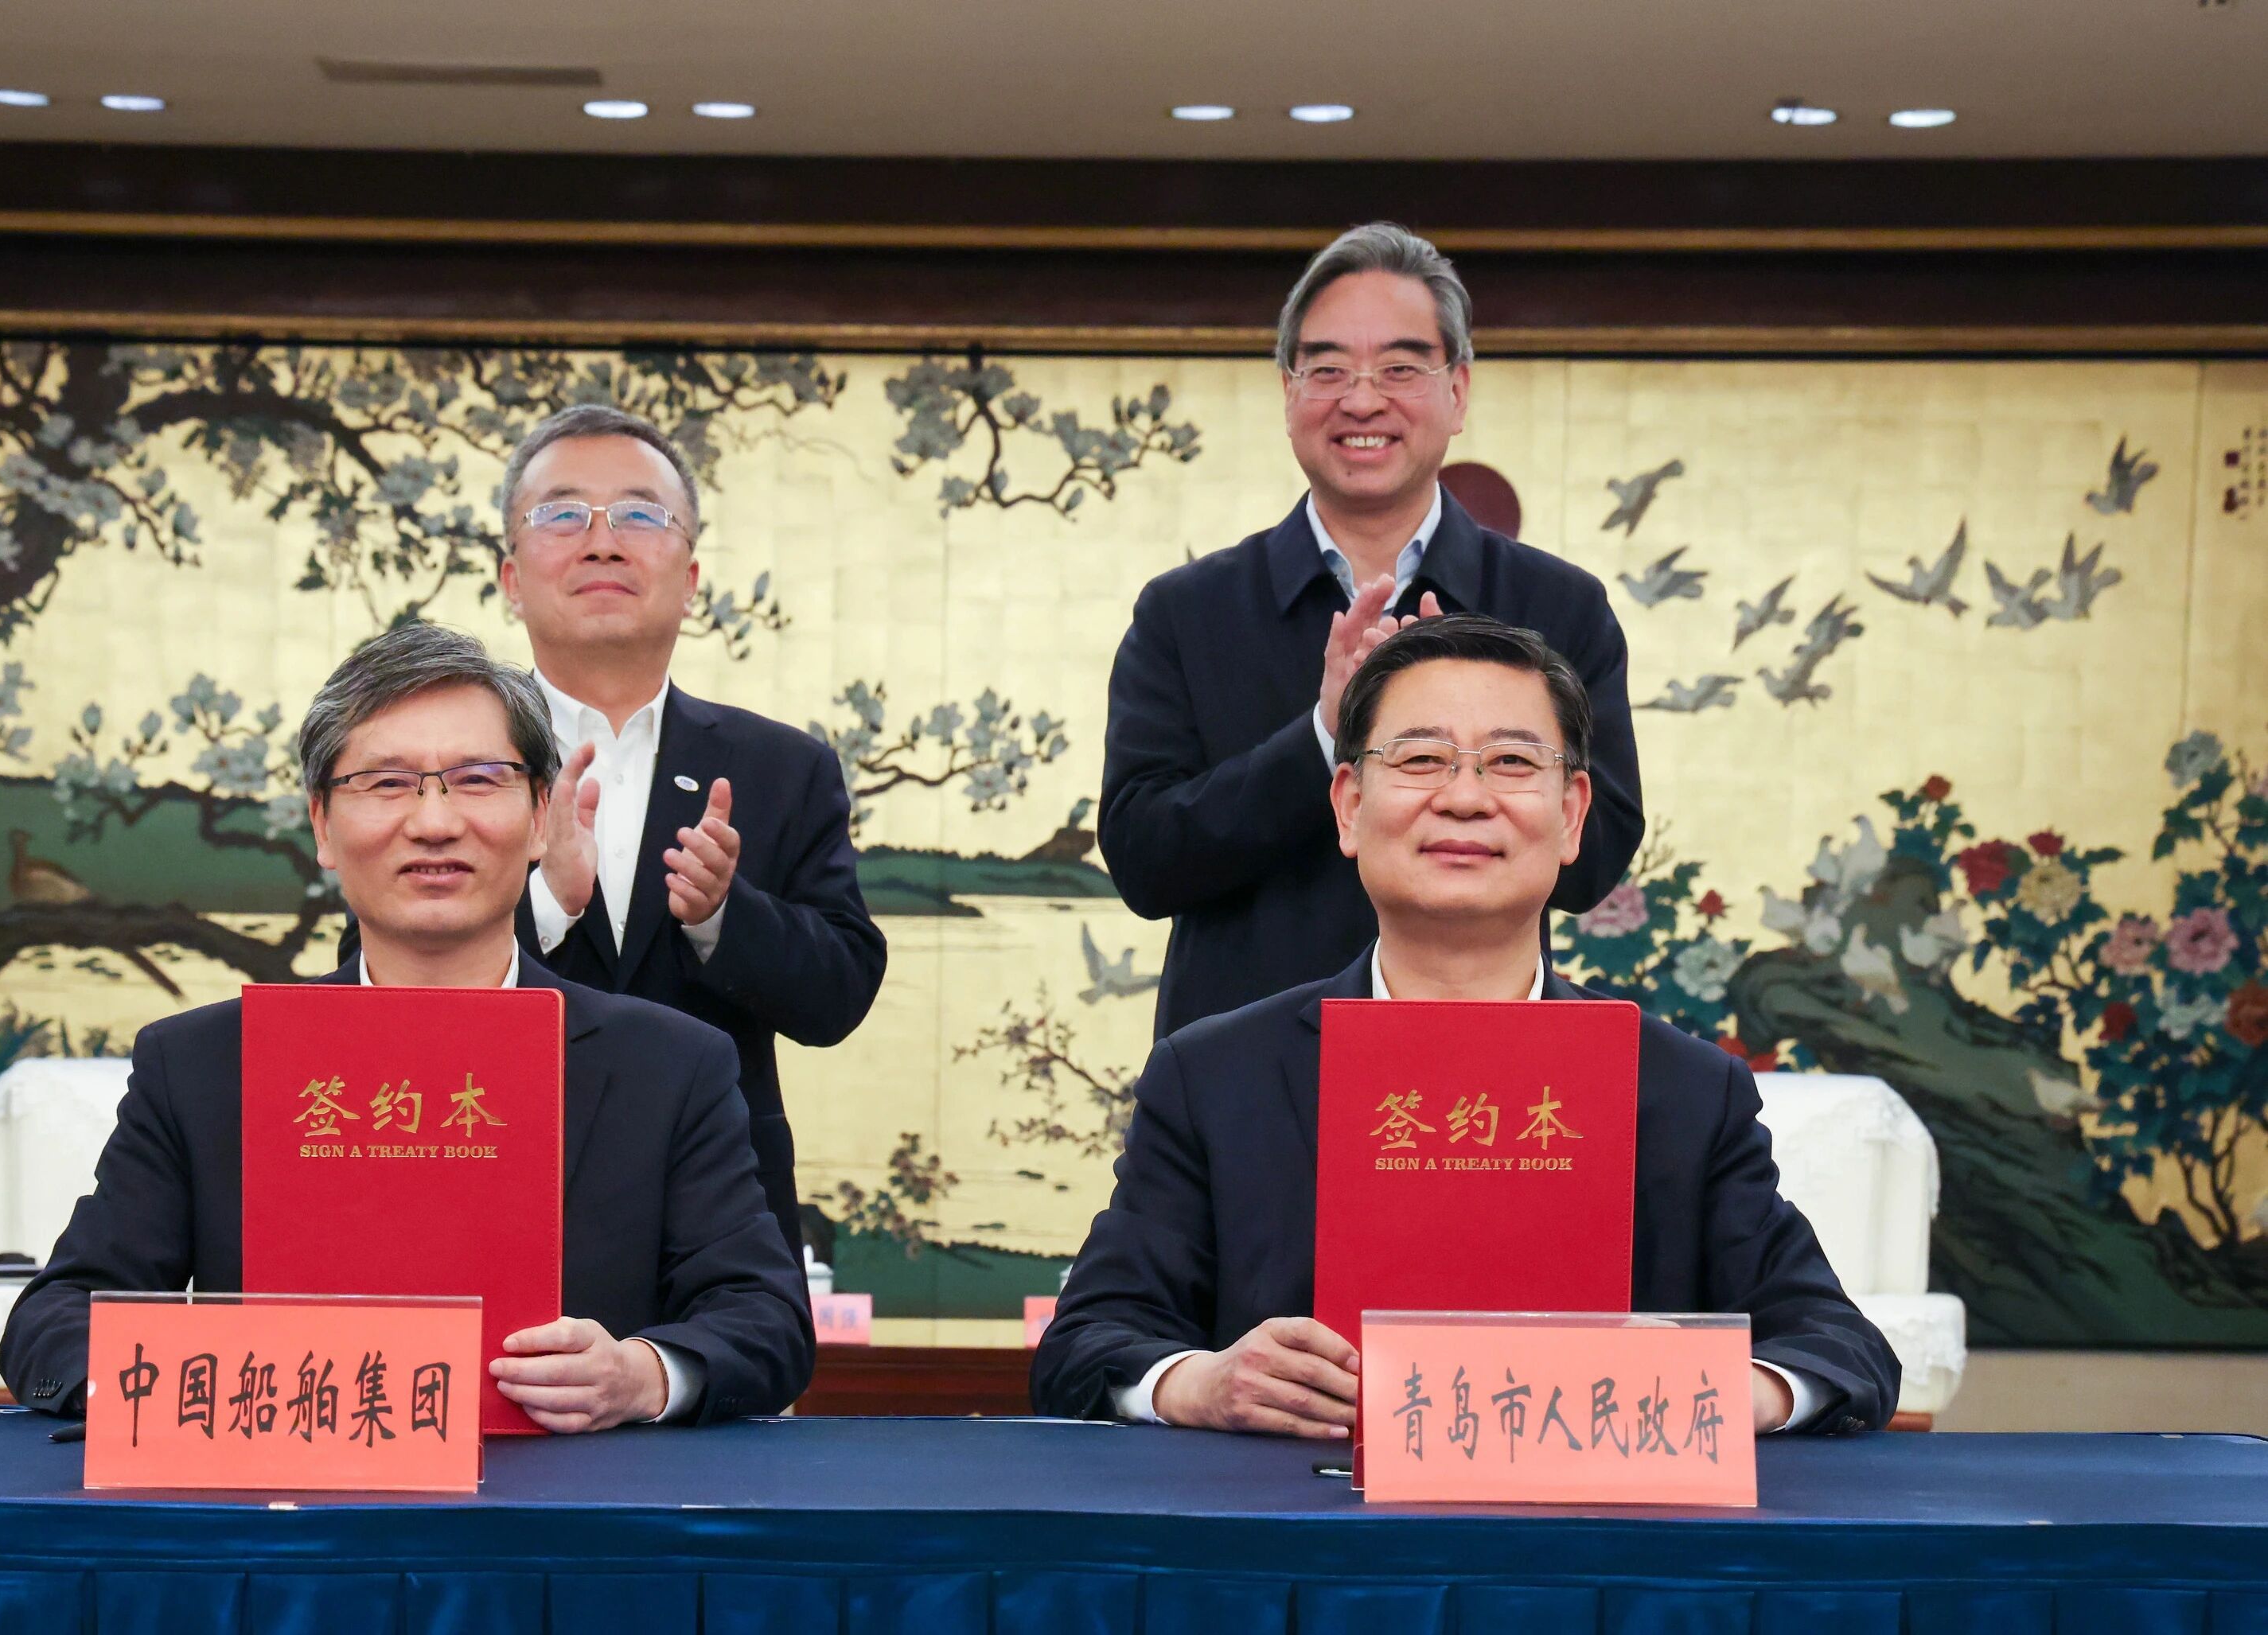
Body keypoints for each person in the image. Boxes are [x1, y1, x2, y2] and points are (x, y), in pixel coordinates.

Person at [1036, 615, 1897, 1438]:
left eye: (1511, 762)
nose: (1463, 797)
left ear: (1572, 814)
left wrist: (1714, 1388)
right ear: (1348, 805)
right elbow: (1085, 1343)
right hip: (1303, 1521)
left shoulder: (1680, 1088)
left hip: (1588, 1526)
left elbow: (1840, 1347)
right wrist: (1202, 1383)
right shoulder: (1215, 1077)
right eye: (1420, 759)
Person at [0, 625, 813, 1431]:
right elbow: (54, 1321)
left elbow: (763, 1318)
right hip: (289, 1500)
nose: (433, 823)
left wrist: (640, 1375)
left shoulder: (669, 1066)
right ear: (322, 825)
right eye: (386, 783)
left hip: (572, 1501)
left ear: (541, 816)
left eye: (478, 780)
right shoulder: (202, 1064)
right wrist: (201, 1383)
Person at [1101, 222, 1644, 1038]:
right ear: (1288, 393)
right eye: (1327, 370)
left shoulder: (1556, 606)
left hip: (1481, 1064)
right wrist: (1324, 737)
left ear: (1457, 391)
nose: (1361, 401)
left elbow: (1593, 858)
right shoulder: (1186, 612)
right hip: (1244, 1069)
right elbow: (1144, 864)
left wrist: (1466, 770)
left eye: (1400, 368)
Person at [499, 404, 886, 1261]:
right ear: (511, 578)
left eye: (640, 515)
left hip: (717, 1219)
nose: (602, 543)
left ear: (691, 578)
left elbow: (839, 994)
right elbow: (375, 975)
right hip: (497, 1189)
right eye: (563, 514)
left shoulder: (780, 768)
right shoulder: (449, 760)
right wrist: (545, 905)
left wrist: (720, 915)